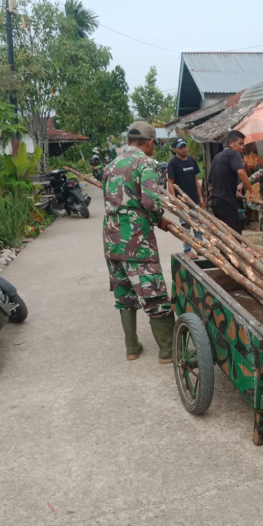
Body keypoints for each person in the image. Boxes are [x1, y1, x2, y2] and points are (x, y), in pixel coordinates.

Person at [103, 120, 175, 363]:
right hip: (137, 243)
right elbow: (151, 202)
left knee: (124, 294)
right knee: (154, 294)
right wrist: (160, 220)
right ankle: (167, 351)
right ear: (150, 142)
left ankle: (131, 348)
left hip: (112, 240)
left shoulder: (110, 166)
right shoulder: (147, 164)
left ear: (128, 141)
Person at [209, 130, 254, 233]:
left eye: (243, 144)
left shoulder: (217, 156)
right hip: (226, 203)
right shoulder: (233, 154)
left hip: (215, 203)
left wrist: (232, 190)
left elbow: (211, 182)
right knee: (235, 235)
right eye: (240, 143)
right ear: (231, 143)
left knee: (224, 235)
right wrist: (251, 192)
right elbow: (241, 172)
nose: (242, 147)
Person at [167, 137, 204, 258]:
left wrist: (201, 197)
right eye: (181, 147)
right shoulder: (173, 163)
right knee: (186, 227)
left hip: (194, 201)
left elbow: (195, 180)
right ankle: (188, 250)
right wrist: (174, 200)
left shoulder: (192, 161)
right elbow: (170, 182)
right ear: (175, 149)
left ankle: (201, 248)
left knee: (198, 226)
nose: (184, 149)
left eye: (185, 146)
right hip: (182, 202)